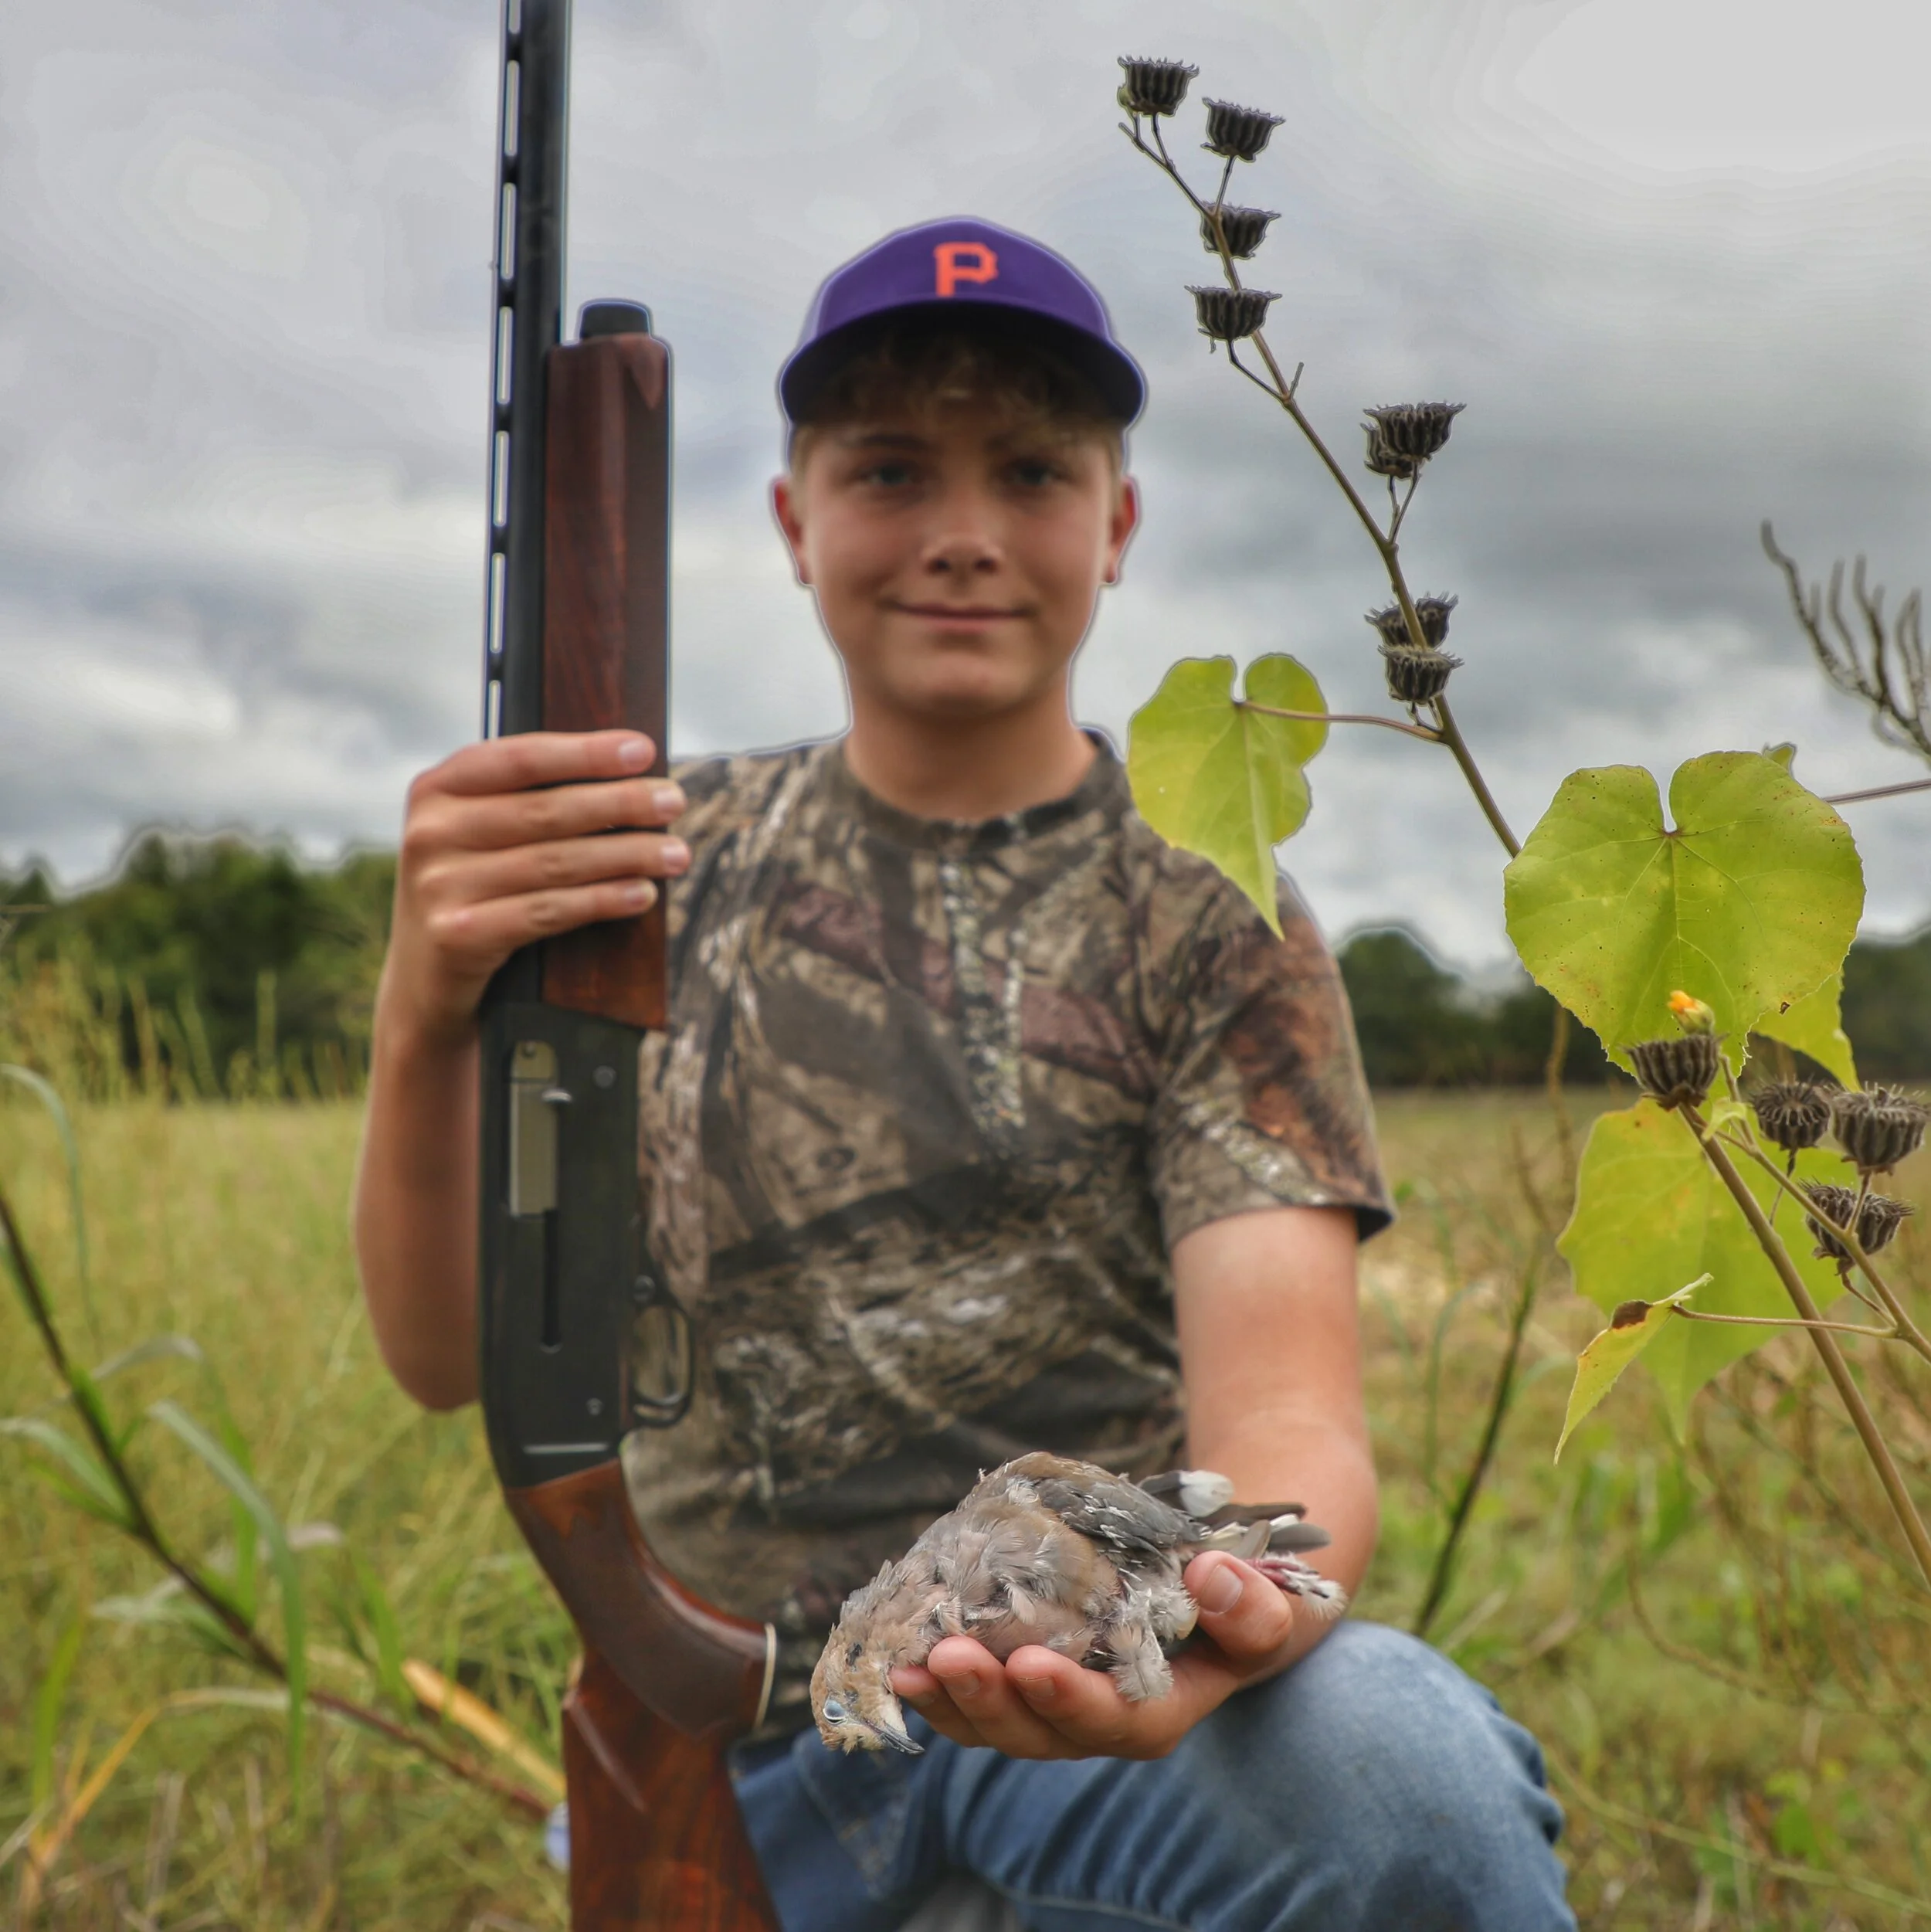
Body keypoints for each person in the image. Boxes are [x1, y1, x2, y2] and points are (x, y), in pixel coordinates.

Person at [352, 216, 1574, 1930]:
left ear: (1117, 522)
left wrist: (1231, 1611)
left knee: (1396, 1774)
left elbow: (1287, 1414)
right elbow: (435, 1352)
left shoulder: (1207, 897)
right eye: (888, 470)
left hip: (1095, 1706)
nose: (961, 537)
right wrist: (428, 995)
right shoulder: (636, 861)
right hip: (733, 1724)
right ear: (791, 520)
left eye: (1029, 470)